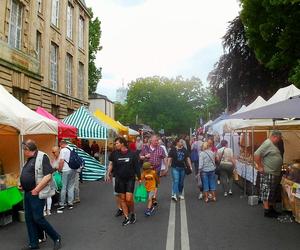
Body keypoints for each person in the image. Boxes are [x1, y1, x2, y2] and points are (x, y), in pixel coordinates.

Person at [20, 140, 61, 250]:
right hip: (28, 192)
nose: (23, 152)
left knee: (38, 218)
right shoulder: (29, 159)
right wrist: (22, 184)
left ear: (28, 150)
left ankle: (56, 237)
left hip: (36, 193)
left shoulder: (42, 156)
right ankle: (33, 244)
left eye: (24, 149)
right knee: (29, 218)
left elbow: (48, 176)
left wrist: (37, 189)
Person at [106, 137, 141, 226]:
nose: (115, 145)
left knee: (129, 199)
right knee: (122, 199)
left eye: (117, 143)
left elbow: (137, 166)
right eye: (115, 143)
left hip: (130, 179)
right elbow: (111, 164)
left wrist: (139, 177)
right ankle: (126, 217)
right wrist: (108, 173)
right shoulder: (114, 154)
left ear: (122, 144)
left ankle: (132, 213)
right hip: (119, 179)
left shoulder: (132, 154)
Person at [254, 130, 283, 218]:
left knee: (271, 192)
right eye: (279, 139)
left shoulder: (273, 144)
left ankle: (271, 209)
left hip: (273, 172)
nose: (279, 140)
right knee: (266, 191)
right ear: (275, 137)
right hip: (268, 172)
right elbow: (256, 154)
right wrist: (259, 166)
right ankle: (267, 210)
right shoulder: (268, 143)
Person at [57, 140, 76, 211]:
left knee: (64, 187)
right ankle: (70, 203)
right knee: (71, 186)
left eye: (60, 145)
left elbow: (61, 161)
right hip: (73, 169)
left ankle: (62, 203)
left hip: (65, 170)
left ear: (62, 144)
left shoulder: (63, 150)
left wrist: (59, 169)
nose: (59, 147)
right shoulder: (71, 148)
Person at [43, 146, 60, 216]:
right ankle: (48, 211)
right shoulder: (50, 162)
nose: (52, 153)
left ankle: (44, 211)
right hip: (50, 179)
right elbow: (52, 170)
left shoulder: (40, 165)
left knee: (44, 196)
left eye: (54, 152)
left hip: (43, 181)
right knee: (48, 196)